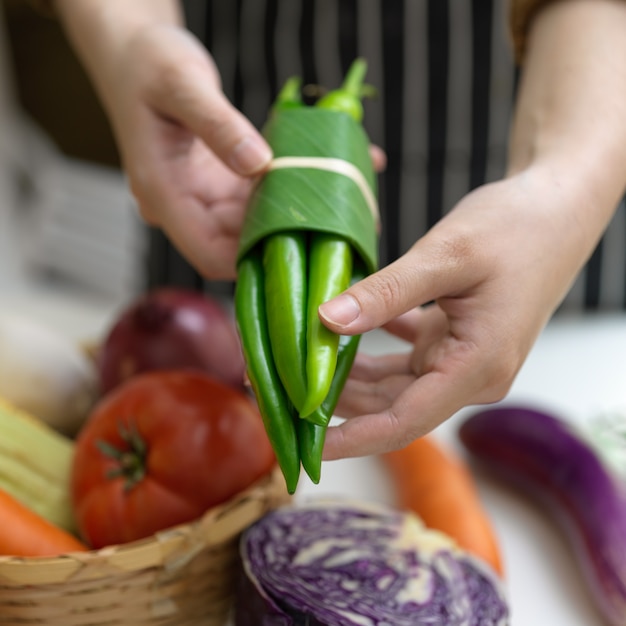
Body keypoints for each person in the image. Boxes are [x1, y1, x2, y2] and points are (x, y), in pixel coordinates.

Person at [50, 0, 626, 459]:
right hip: (223, 165)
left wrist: (563, 190)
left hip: (555, 133)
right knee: (209, 422)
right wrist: (129, 39)